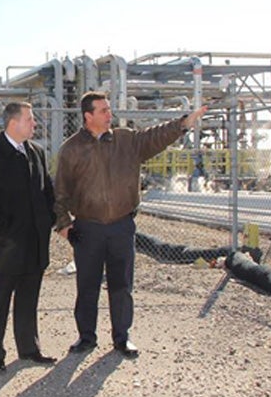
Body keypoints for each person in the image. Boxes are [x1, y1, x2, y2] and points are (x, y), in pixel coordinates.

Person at [54, 91, 207, 357]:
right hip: (87, 228)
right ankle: (86, 337)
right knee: (87, 286)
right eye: (103, 110)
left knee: (122, 285)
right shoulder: (71, 149)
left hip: (121, 227)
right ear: (88, 116)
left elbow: (155, 136)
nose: (109, 114)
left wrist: (182, 124)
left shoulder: (126, 141)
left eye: (109, 109)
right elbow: (60, 192)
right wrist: (64, 225)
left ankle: (122, 338)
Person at [0, 102, 57, 373]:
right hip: (4, 248)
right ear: (13, 123)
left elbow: (47, 191)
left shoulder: (36, 152)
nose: (34, 124)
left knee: (28, 300)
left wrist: (48, 220)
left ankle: (29, 348)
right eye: (30, 119)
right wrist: (6, 231)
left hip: (34, 243)